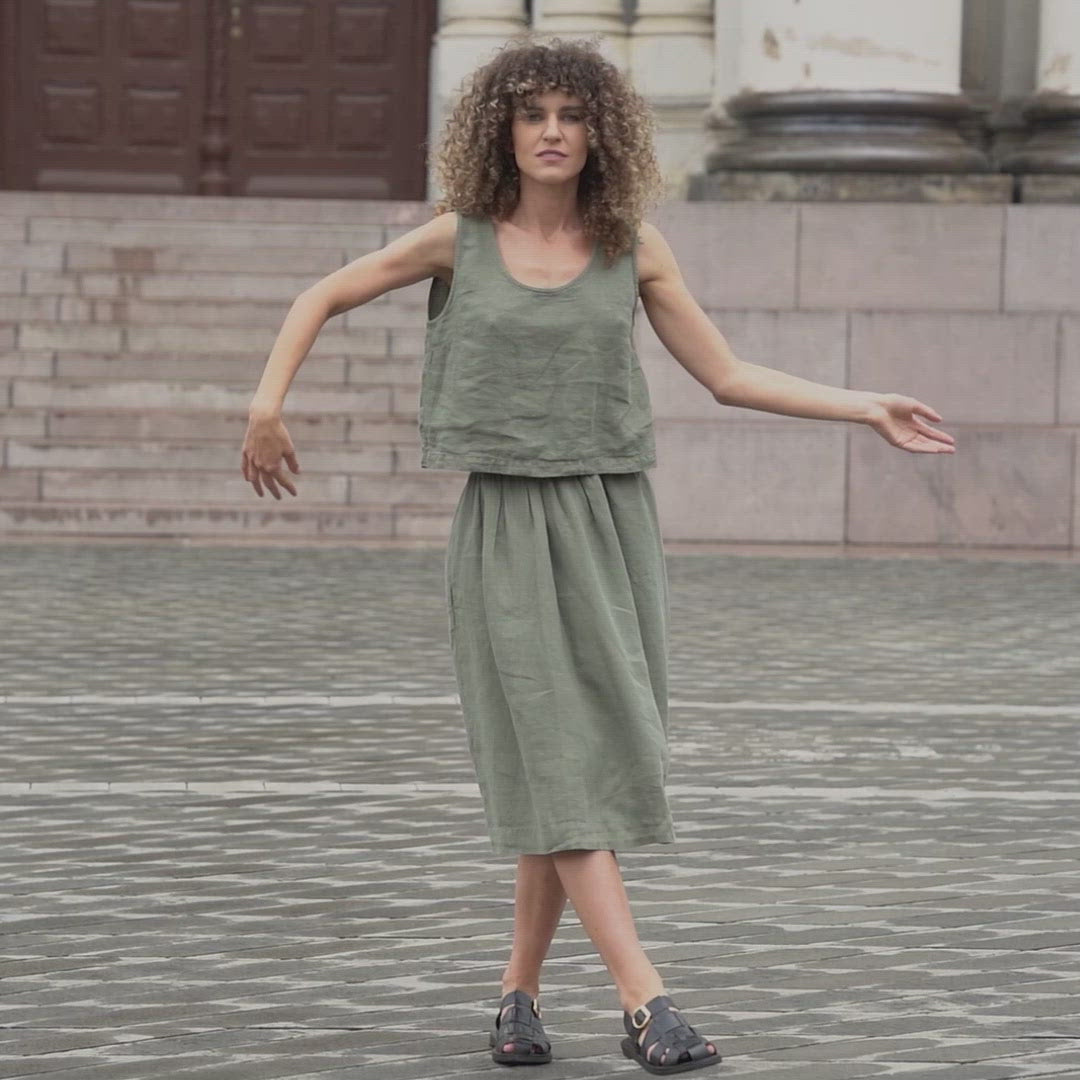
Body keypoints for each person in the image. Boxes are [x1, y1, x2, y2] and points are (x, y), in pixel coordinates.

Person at [240, 32, 956, 1076]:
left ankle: (518, 996)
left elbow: (727, 375)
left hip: (611, 522)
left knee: (569, 759)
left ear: (600, 133)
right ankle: (645, 1000)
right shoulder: (456, 239)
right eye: (533, 114)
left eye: (572, 116)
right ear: (501, 130)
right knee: (561, 754)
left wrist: (865, 405)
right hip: (506, 525)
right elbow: (320, 296)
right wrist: (266, 405)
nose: (552, 133)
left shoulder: (633, 248)